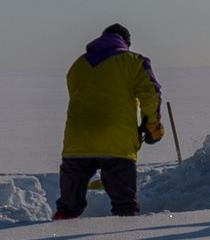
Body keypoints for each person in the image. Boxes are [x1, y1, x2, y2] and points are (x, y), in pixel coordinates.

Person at [53, 23, 163, 220]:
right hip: (116, 142)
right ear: (126, 42)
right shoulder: (134, 62)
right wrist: (152, 124)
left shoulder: (79, 64)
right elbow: (151, 94)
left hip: (76, 142)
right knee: (125, 207)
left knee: (67, 207)